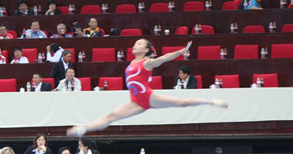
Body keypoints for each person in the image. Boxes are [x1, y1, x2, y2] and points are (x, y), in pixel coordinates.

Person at [68, 40, 227, 136]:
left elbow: (163, 58)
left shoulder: (147, 63)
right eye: (135, 43)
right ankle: (83, 128)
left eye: (139, 44)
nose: (135, 45)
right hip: (136, 102)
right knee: (111, 117)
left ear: (145, 50)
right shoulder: (131, 63)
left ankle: (211, 101)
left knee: (182, 103)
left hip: (149, 98)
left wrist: (181, 51)